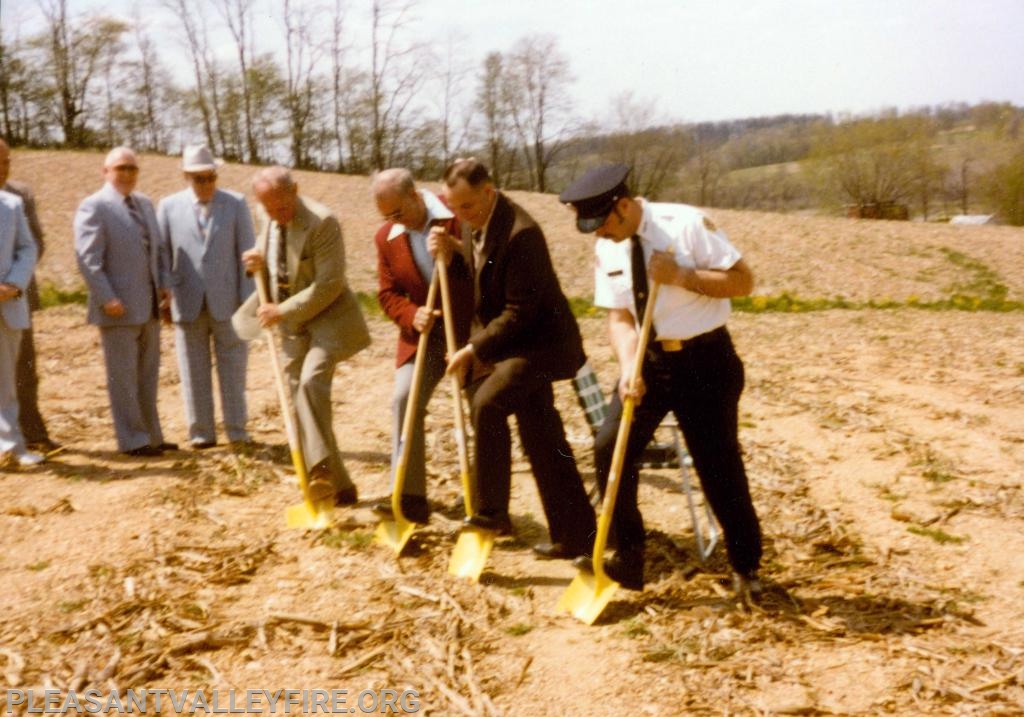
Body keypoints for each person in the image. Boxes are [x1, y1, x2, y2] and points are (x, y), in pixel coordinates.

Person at [558, 163, 763, 595]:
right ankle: (629, 558)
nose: (598, 235)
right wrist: (630, 365)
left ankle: (746, 566)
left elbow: (744, 281)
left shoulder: (684, 225)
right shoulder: (609, 247)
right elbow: (618, 318)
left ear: (625, 206)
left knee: (718, 467)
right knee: (609, 445)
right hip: (649, 363)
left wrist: (684, 277)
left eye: (602, 224)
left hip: (705, 361)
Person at [438, 158, 596, 559]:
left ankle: (491, 511)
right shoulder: (477, 220)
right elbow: (483, 281)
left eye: (468, 207)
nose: (461, 215)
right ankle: (577, 535)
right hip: (515, 343)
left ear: (489, 192)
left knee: (487, 403)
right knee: (542, 434)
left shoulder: (523, 234)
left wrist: (475, 349)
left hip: (542, 344)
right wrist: (455, 253)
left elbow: (519, 311)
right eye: (454, 207)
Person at [234, 166, 369, 506]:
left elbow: (329, 284)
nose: (277, 216)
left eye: (282, 208)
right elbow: (279, 263)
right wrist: (255, 264)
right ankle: (340, 488)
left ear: (295, 190)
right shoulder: (265, 216)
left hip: (329, 319)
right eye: (269, 209)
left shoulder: (323, 222)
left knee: (311, 383)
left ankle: (319, 471)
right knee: (300, 401)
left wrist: (283, 311)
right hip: (292, 324)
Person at [370, 168, 474, 524]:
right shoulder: (387, 237)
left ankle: (489, 508)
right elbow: (386, 294)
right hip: (425, 337)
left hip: (471, 331)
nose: (394, 222)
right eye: (387, 216)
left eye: (398, 213)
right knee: (403, 400)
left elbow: (488, 262)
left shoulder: (457, 212)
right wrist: (411, 314)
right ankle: (410, 498)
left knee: (483, 407)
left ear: (415, 195)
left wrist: (456, 250)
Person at [74, 147, 176, 457]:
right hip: (117, 308)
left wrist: (165, 285)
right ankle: (132, 439)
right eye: (121, 168)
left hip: (148, 307)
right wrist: (106, 298)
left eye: (132, 169)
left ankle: (152, 435)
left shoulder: (144, 204)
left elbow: (158, 251)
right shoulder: (94, 206)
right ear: (105, 172)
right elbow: (88, 259)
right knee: (123, 378)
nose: (127, 174)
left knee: (147, 375)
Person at [157, 145, 255, 450]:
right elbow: (161, 255)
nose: (206, 184)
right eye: (199, 178)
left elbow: (247, 255)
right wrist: (165, 294)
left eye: (211, 177)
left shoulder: (236, 204)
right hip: (187, 302)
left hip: (229, 302)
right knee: (192, 369)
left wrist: (248, 303)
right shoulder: (169, 207)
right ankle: (201, 432)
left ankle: (237, 430)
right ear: (187, 177)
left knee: (234, 368)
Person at [0, 139, 58, 454]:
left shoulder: (20, 195)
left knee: (23, 369)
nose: (3, 169)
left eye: (6, 162)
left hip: (15, 295)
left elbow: (35, 242)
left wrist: (12, 281)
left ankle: (32, 431)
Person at [0, 183, 42, 467]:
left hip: (7, 304)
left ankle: (12, 448)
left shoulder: (12, 205)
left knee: (5, 383)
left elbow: (29, 247)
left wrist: (15, 283)